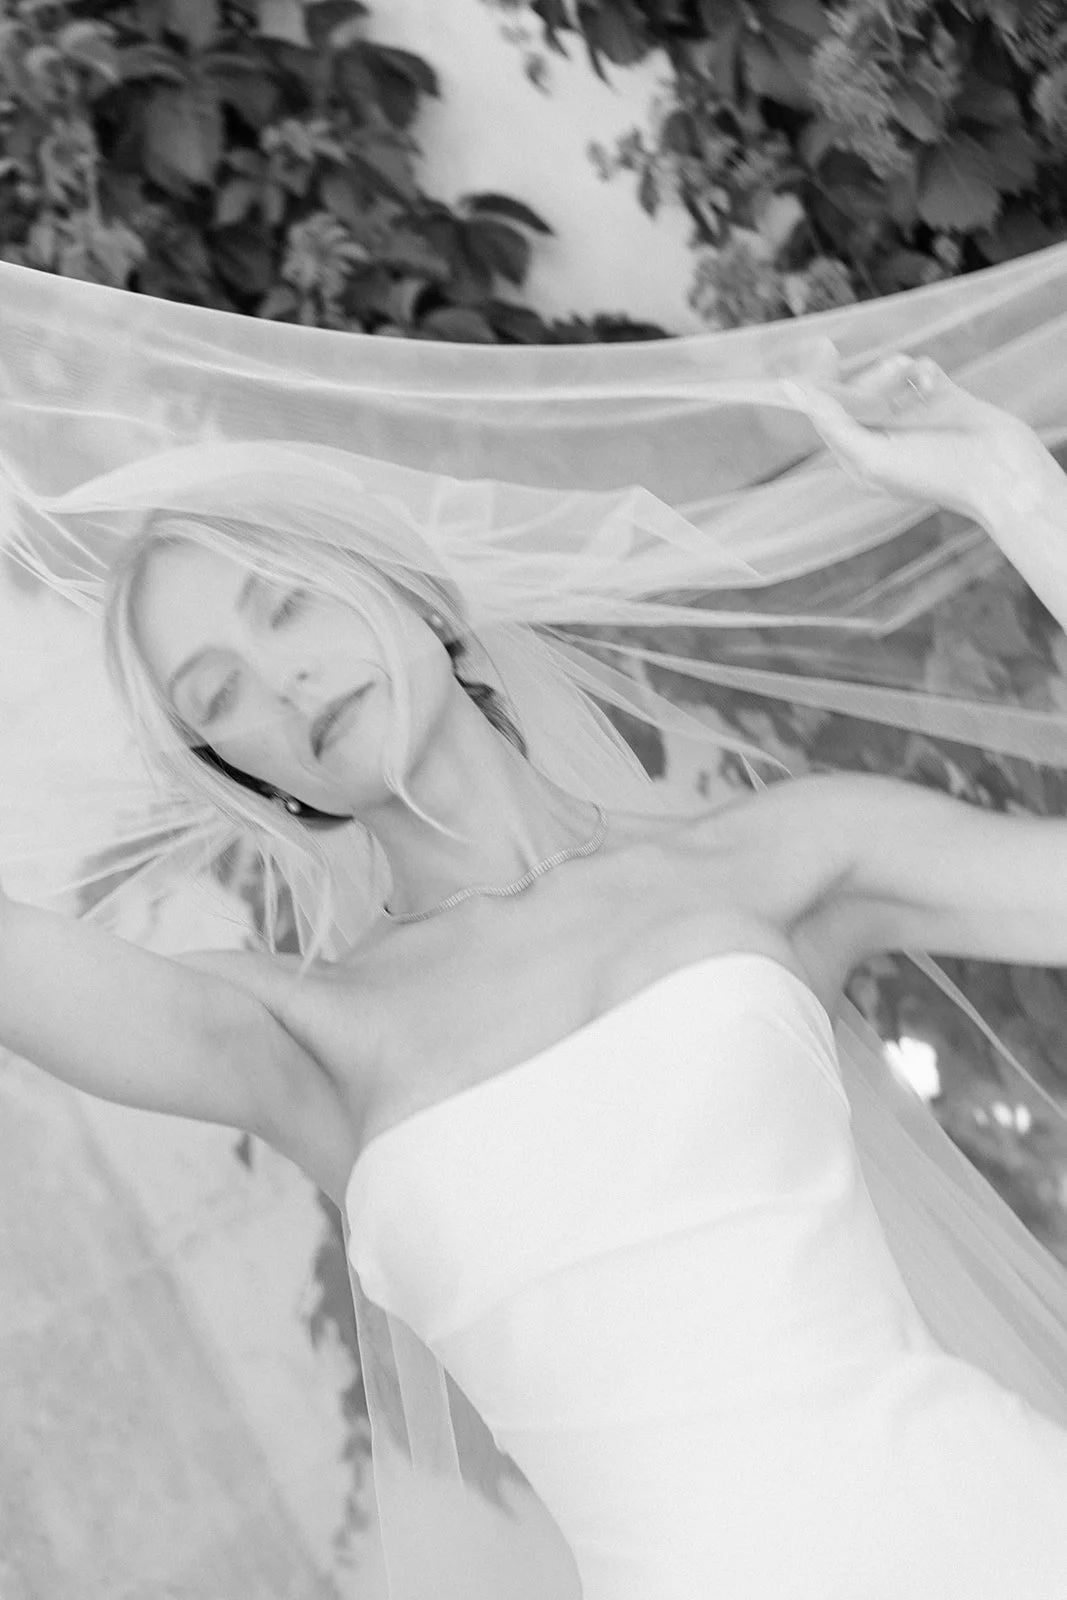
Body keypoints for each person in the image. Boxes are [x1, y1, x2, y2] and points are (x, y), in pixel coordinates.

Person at [4, 351, 1067, 1596]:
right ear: (247, 777)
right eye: (216, 691)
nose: (279, 679)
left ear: (412, 589)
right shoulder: (301, 1035)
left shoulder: (780, 856)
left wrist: (1009, 484)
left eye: (288, 601)